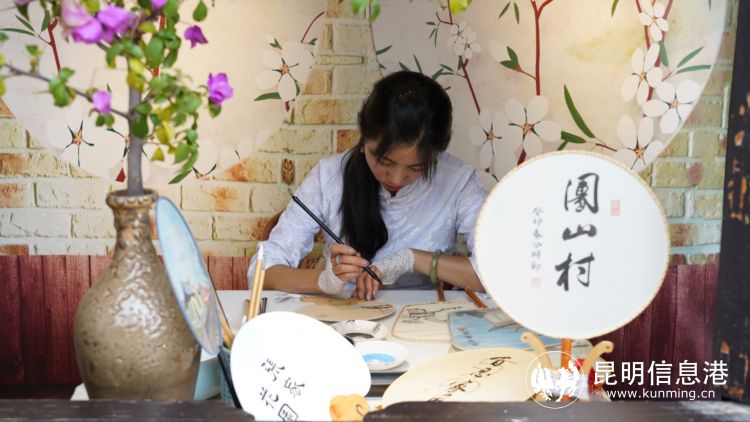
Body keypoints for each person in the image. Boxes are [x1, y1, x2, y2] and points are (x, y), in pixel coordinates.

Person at [247, 70, 487, 299]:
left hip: (424, 320)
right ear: (364, 138)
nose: (396, 178)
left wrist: (413, 259)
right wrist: (323, 280)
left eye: (416, 168)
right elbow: (261, 273)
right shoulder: (328, 177)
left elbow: (498, 274)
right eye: (384, 161)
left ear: (437, 156)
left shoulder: (458, 182)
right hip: (344, 316)